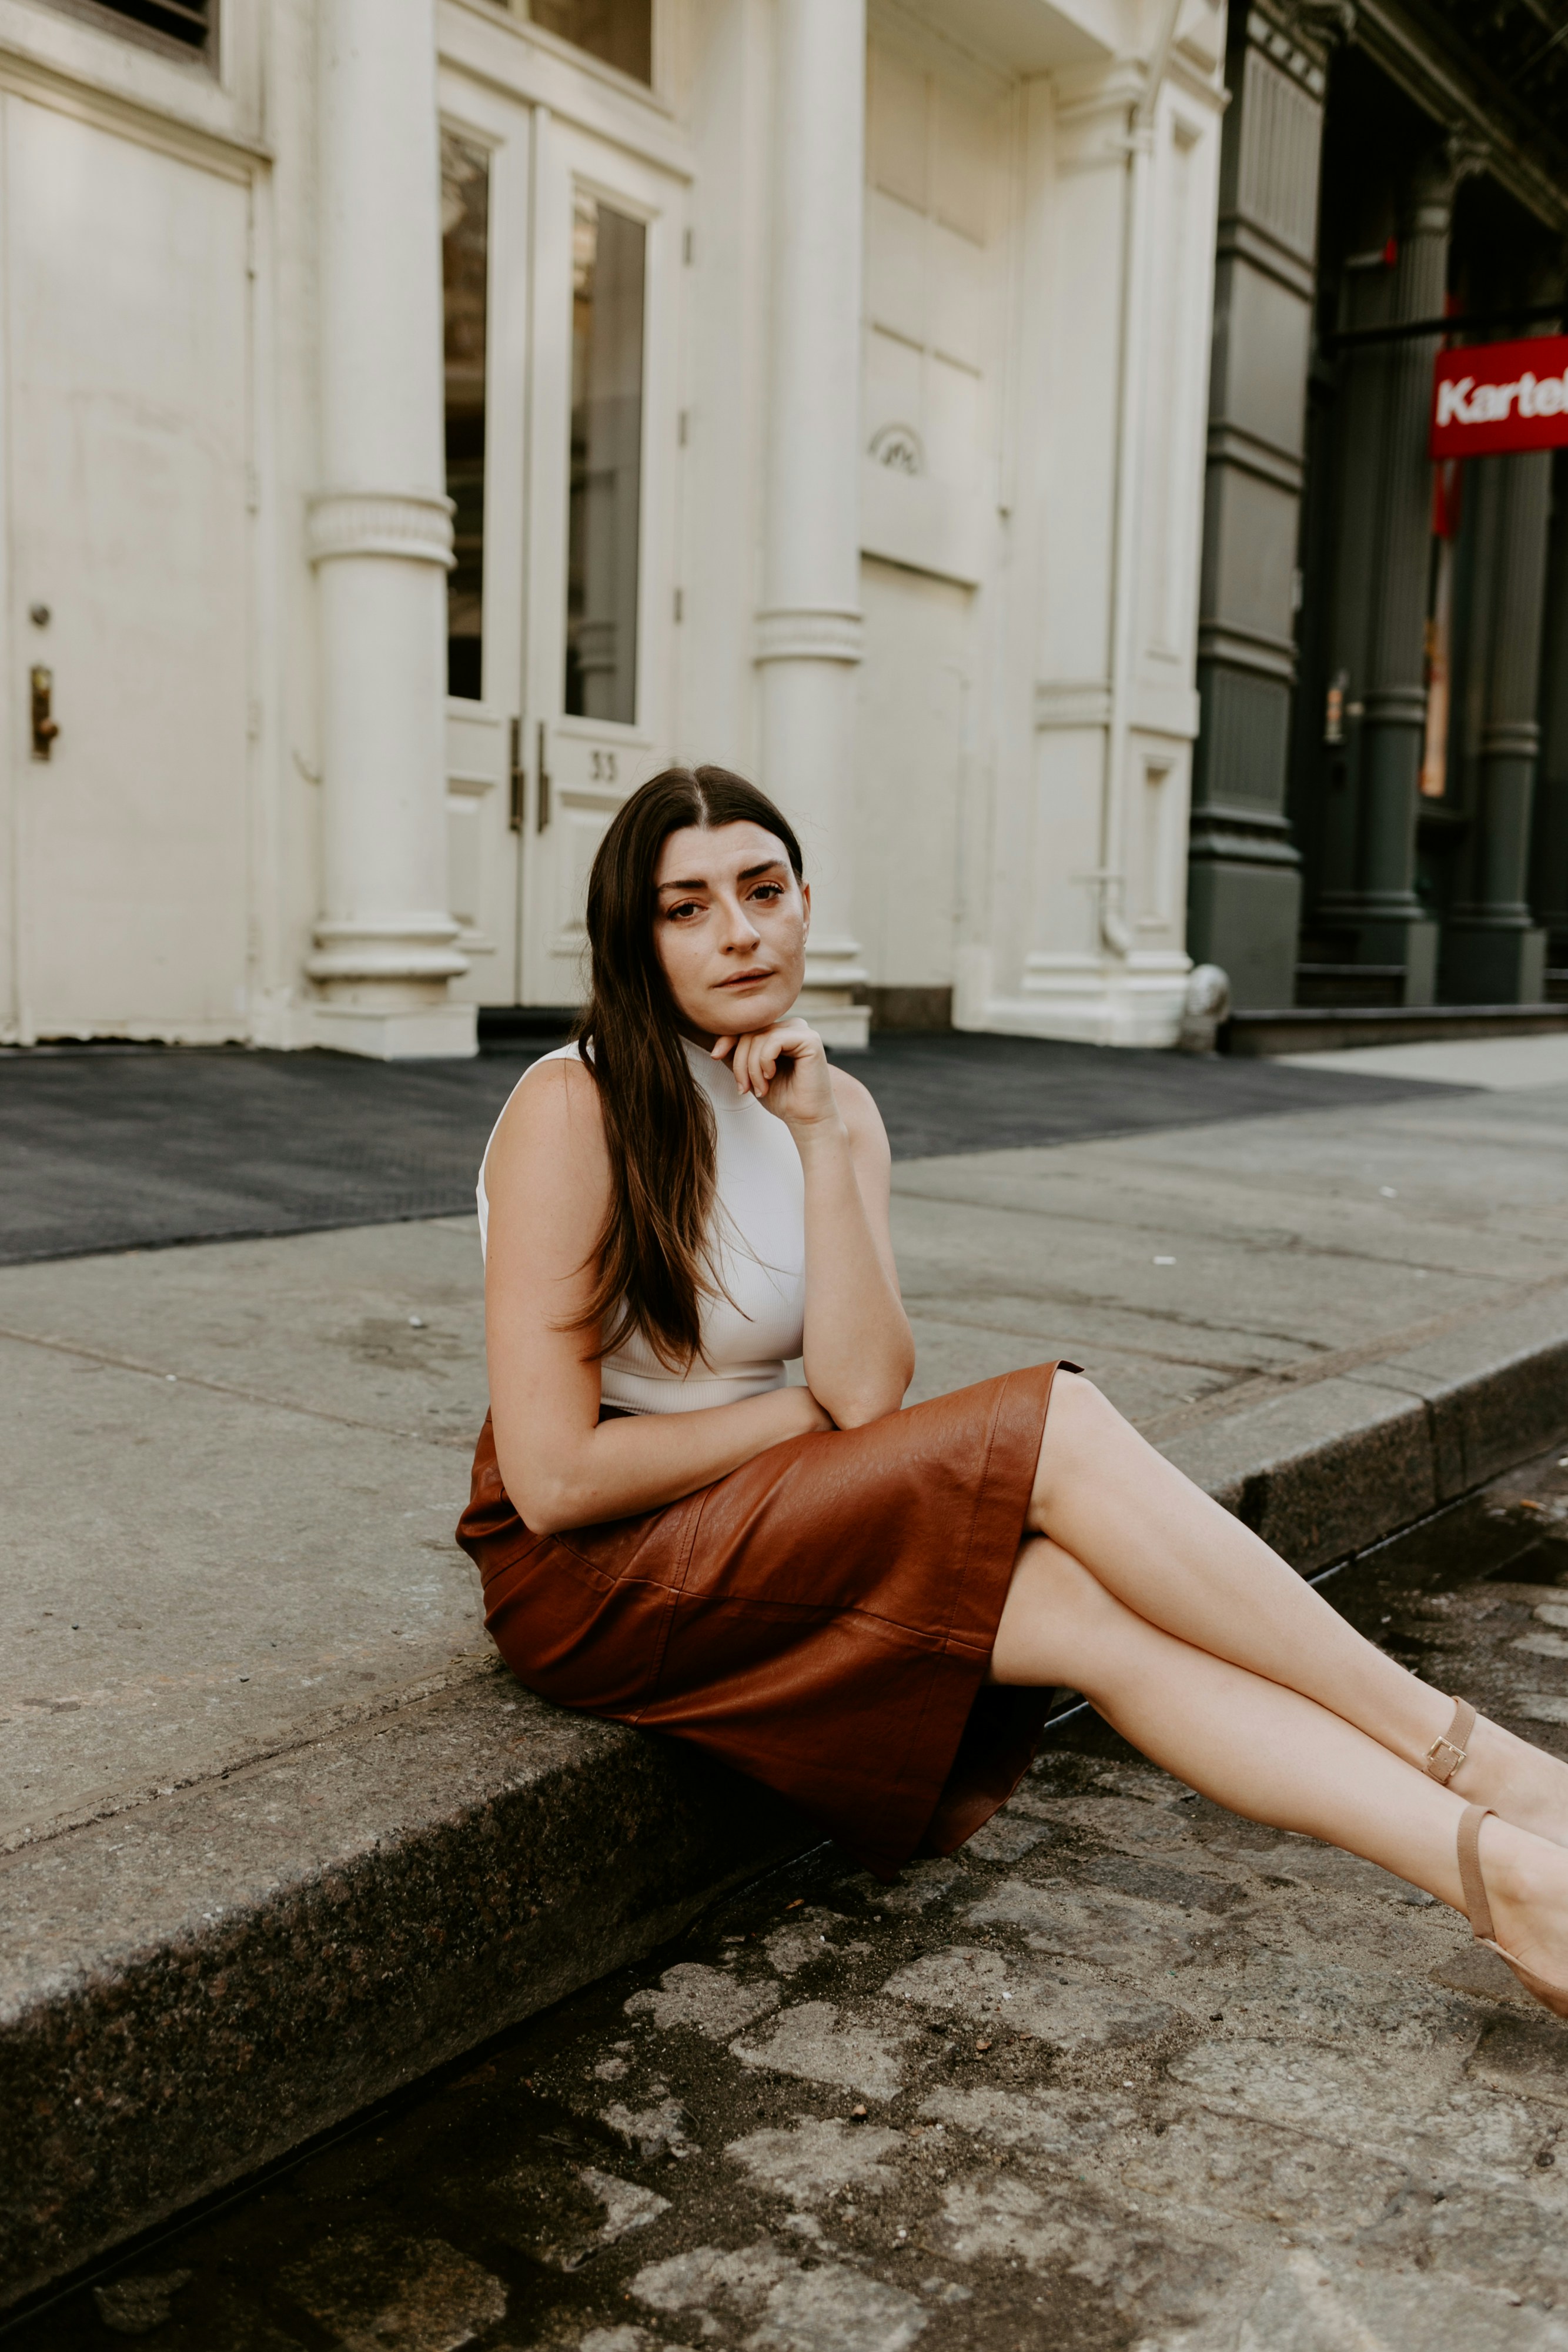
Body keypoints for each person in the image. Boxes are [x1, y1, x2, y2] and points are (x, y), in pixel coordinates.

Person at [458, 766, 1568, 2018]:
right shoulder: (574, 1103)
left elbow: (866, 1388)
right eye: (688, 905)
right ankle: (1488, 1764)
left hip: (770, 1505)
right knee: (1060, 1423)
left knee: (1075, 1607)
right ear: (634, 934)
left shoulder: (835, 1103)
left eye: (762, 889)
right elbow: (554, 1483)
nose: (738, 930)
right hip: (600, 1567)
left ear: (805, 900)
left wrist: (820, 1136)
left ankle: (1506, 1878)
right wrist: (799, 1414)